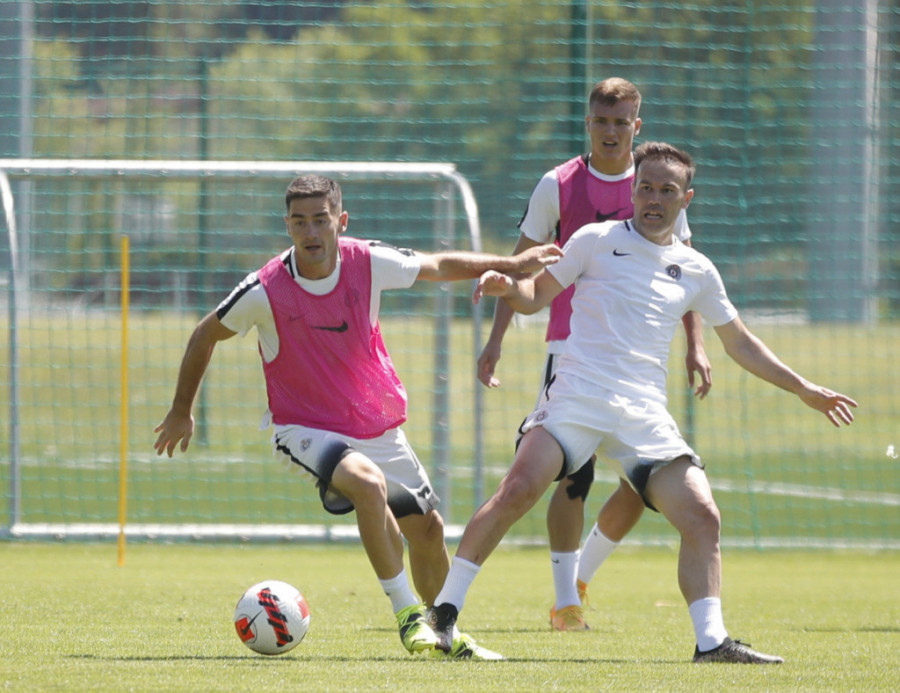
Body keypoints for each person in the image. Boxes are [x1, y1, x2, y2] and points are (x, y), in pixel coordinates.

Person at [432, 142, 857, 663]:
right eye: (646, 188)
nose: (654, 199)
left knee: (702, 515)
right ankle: (443, 616)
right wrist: (507, 287)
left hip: (644, 414)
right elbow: (534, 296)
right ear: (633, 191)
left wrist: (804, 388)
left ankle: (712, 642)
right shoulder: (594, 240)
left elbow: (741, 344)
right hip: (577, 396)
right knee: (518, 489)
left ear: (686, 199)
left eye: (667, 190)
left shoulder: (697, 269)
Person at [153, 174, 561, 660]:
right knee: (368, 485)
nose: (310, 232)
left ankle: (445, 635)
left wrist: (512, 263)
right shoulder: (266, 288)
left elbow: (437, 265)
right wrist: (181, 409)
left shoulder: (367, 261)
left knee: (429, 530)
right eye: (299, 222)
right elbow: (205, 333)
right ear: (287, 225)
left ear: (340, 221)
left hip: (374, 426)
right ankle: (408, 616)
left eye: (320, 220)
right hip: (303, 428)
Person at [476, 77, 711, 631]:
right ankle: (566, 603)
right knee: (573, 476)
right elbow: (520, 265)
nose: (611, 131)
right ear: (588, 124)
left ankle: (581, 577)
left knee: (642, 485)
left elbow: (686, 269)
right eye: (601, 121)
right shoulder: (557, 184)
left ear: (637, 125)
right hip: (572, 350)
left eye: (621, 121)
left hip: (638, 361)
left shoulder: (660, 181)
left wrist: (696, 345)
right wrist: (496, 338)